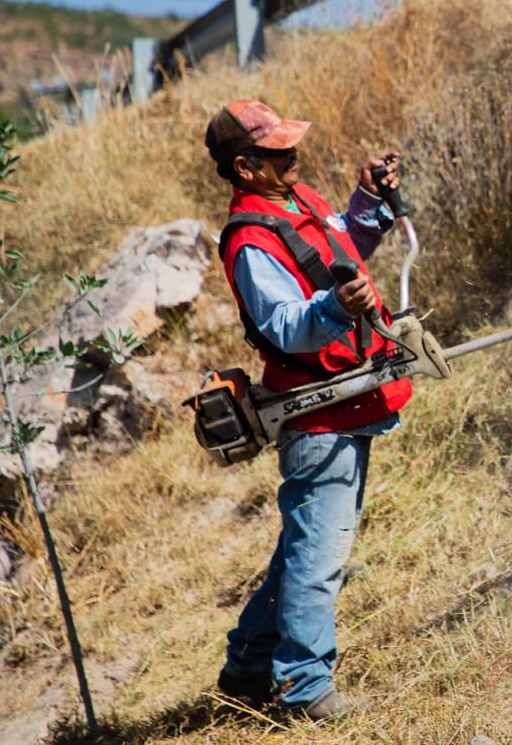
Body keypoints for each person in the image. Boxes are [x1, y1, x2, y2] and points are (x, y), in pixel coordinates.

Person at [204, 99, 412, 721]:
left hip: (352, 393)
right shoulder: (249, 239)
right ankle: (304, 686)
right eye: (277, 152)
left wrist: (367, 201)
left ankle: (246, 669)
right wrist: (335, 310)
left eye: (291, 146)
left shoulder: (299, 201)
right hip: (318, 411)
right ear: (244, 168)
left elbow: (343, 251)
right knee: (319, 557)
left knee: (307, 545)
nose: (293, 157)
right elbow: (287, 326)